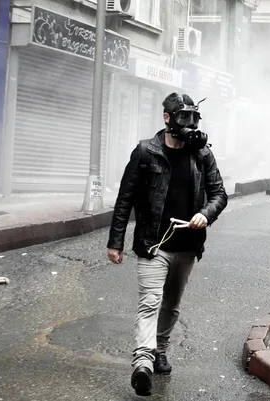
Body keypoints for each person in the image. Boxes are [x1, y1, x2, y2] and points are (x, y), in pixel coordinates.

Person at [106, 92, 228, 396]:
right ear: (167, 118)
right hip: (153, 243)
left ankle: (159, 351)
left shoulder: (202, 154)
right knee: (150, 302)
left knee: (171, 305)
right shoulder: (146, 152)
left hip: (187, 245)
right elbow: (125, 199)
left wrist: (205, 214)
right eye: (183, 117)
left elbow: (219, 194)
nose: (188, 124)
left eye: (194, 118)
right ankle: (143, 363)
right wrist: (115, 241)